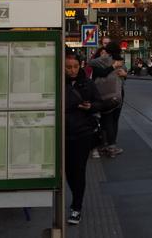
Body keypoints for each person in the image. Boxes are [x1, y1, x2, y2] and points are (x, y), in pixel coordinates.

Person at [64, 51, 103, 225]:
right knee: (68, 172)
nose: (72, 70)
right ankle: (76, 199)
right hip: (64, 134)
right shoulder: (58, 83)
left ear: (80, 65)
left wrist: (90, 106)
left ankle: (76, 207)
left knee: (78, 170)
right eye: (68, 67)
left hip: (83, 133)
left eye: (74, 66)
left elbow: (99, 103)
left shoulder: (87, 83)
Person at [88, 42, 126, 157]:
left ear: (107, 50)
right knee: (114, 121)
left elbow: (90, 62)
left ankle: (108, 146)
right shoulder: (120, 62)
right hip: (118, 95)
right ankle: (112, 146)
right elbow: (123, 76)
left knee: (107, 120)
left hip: (104, 95)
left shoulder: (104, 59)